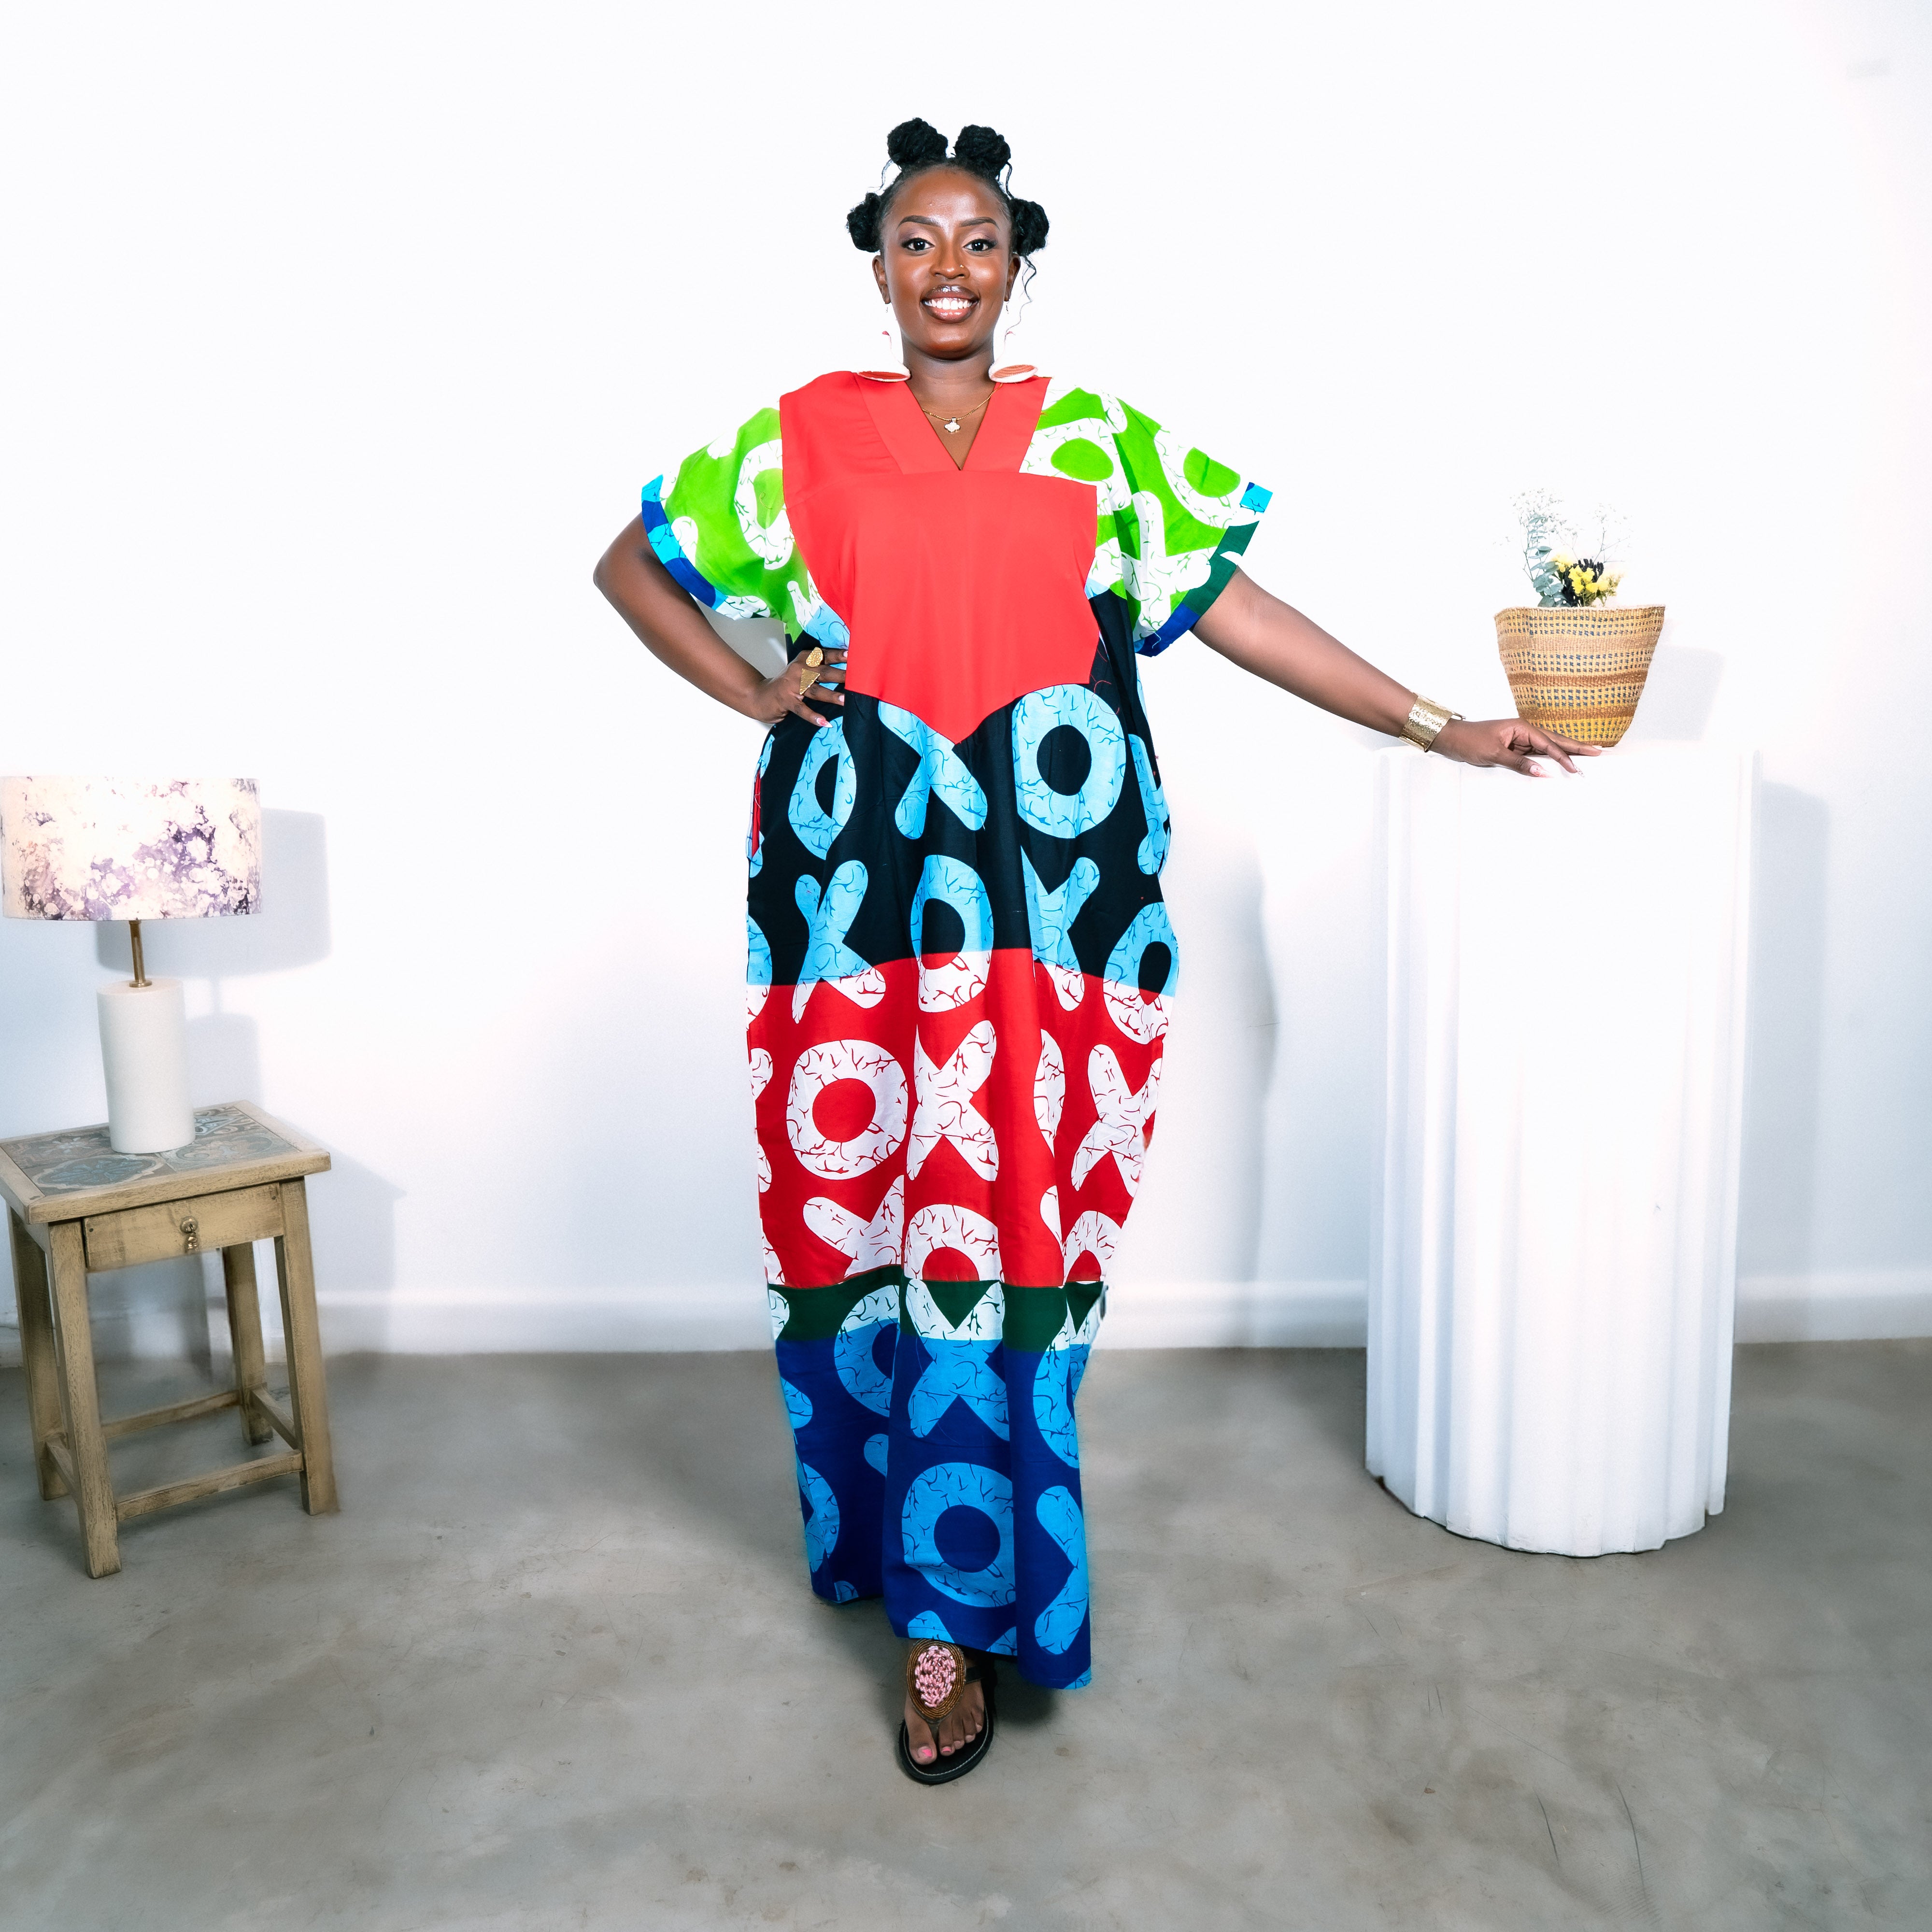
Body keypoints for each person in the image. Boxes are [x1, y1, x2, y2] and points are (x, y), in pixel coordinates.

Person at [594, 118, 1595, 1785]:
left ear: (1018, 268)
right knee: (867, 1216)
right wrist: (757, 692)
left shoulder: (1100, 440)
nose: (948, 269)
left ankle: (973, 1590)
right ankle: (923, 1604)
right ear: (877, 268)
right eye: (917, 241)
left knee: (1013, 1234)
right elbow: (632, 567)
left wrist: (1436, 723)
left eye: (979, 241)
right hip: (856, 903)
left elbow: (1237, 609)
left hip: (1055, 905)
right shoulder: (798, 435)